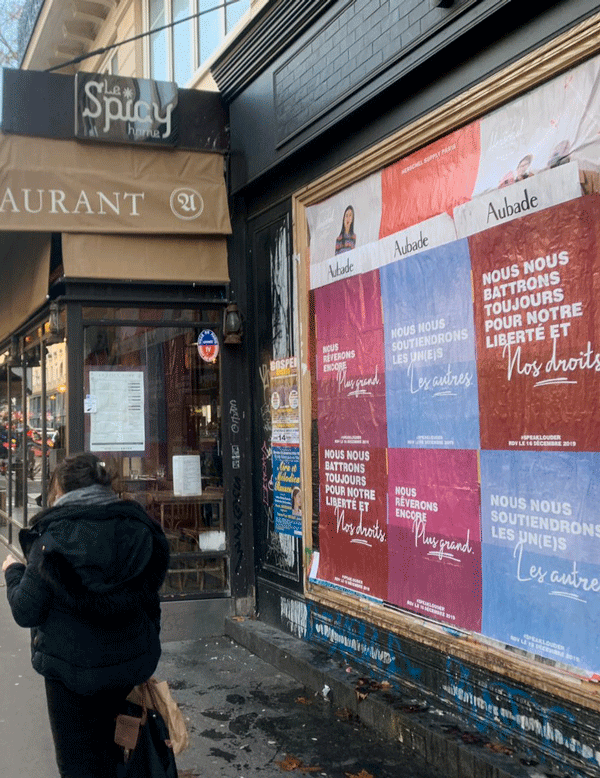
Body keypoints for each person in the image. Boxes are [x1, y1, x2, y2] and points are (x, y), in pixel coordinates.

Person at [2, 452, 170, 778]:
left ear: (62, 487)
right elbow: (150, 599)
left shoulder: (53, 539)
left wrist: (13, 572)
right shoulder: (139, 530)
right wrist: (145, 643)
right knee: (126, 757)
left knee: (79, 765)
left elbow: (25, 610)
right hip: (129, 669)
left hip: (69, 678)